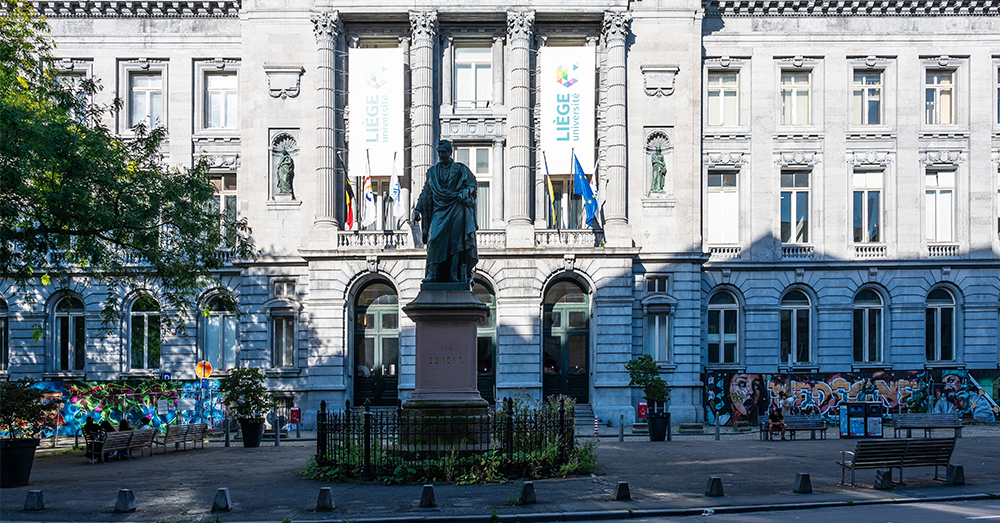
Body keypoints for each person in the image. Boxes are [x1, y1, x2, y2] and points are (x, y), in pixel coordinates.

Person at [412, 139, 478, 285]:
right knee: (434, 239)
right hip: (439, 210)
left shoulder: (461, 169)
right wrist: (417, 209)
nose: (441, 155)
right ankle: (432, 274)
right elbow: (426, 192)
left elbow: (472, 185)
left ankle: (454, 274)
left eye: (444, 152)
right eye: (439, 152)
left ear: (450, 152)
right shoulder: (433, 172)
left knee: (456, 243)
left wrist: (465, 192)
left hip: (456, 208)